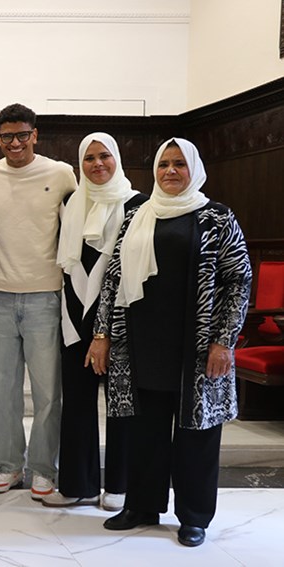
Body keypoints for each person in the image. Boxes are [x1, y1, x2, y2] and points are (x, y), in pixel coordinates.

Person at [90, 138, 251, 547]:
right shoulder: (138, 215)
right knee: (144, 430)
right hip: (141, 343)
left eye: (179, 164)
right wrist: (102, 334)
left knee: (197, 435)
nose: (171, 171)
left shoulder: (217, 217)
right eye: (164, 164)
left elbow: (239, 281)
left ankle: (194, 516)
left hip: (197, 347)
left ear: (194, 169)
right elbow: (112, 279)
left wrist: (224, 341)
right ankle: (142, 506)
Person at [41, 133, 147, 511]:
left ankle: (118, 485)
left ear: (116, 159)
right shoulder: (73, 202)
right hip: (75, 316)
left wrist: (106, 330)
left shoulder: (138, 205)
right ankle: (78, 484)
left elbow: (131, 268)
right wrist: (76, 322)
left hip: (120, 318)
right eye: (89, 158)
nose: (97, 164)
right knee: (77, 404)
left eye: (104, 156)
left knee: (120, 405)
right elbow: (68, 265)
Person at [0, 103, 77, 499]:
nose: (15, 143)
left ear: (35, 134)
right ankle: (8, 466)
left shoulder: (61, 173)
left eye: (22, 135)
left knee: (48, 392)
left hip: (45, 295)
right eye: (7, 136)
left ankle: (43, 469)